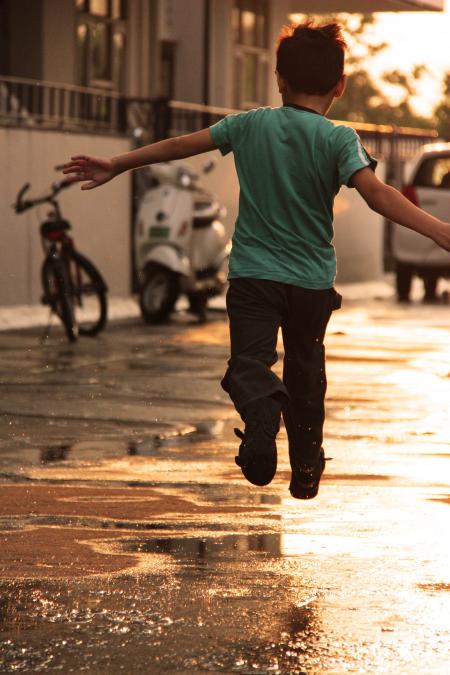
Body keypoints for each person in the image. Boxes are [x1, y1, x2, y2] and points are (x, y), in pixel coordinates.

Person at [62, 20, 450, 500]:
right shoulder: (338, 139)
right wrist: (439, 231)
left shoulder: (249, 125)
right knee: (306, 371)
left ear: (280, 79)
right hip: (310, 284)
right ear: (340, 86)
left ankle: (263, 418)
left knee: (250, 363)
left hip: (253, 278)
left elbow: (182, 146)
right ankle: (306, 464)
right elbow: (376, 194)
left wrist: (118, 163)